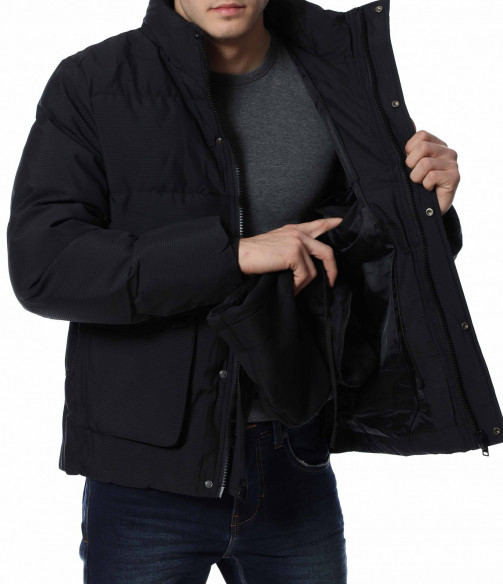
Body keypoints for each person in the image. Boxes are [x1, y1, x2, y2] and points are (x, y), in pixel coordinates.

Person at [7, 0, 463, 582]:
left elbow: (357, 257)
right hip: (145, 479)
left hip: (294, 458)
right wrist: (233, 254)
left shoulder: (334, 75)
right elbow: (45, 264)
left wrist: (425, 212)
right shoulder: (93, 82)